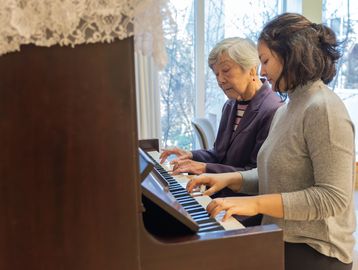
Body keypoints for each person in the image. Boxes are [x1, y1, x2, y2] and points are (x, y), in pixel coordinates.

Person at [187, 13, 356, 270]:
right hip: (280, 235)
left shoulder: (324, 109)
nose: (262, 71)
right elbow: (274, 174)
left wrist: (254, 203)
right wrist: (230, 179)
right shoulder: (287, 109)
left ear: (292, 54)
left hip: (316, 248)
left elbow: (332, 198)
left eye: (265, 61)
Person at [159, 37, 282, 175]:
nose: (220, 80)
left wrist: (204, 168)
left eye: (226, 70)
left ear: (251, 70)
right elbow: (219, 155)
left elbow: (256, 174)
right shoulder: (230, 105)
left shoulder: (273, 110)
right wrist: (189, 155)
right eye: (216, 74)